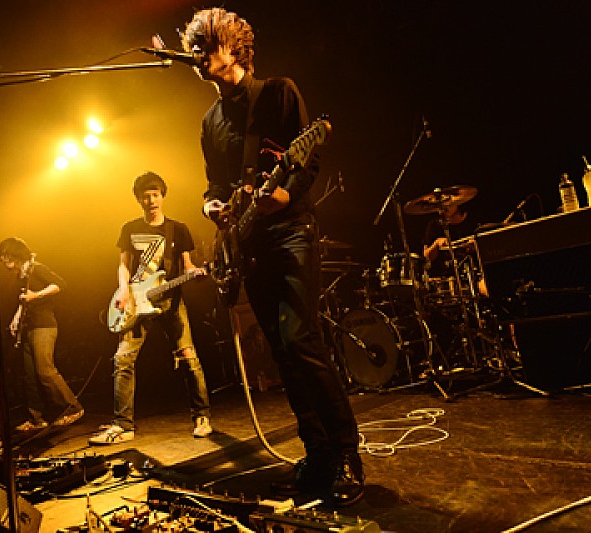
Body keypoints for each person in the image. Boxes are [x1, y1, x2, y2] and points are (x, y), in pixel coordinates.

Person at [181, 7, 364, 506]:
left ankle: (346, 456)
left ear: (233, 47)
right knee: (281, 352)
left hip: (291, 231)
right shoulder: (209, 121)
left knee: (300, 339)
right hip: (250, 245)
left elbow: (308, 159)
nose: (196, 55)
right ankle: (318, 457)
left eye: (205, 45)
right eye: (194, 46)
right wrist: (210, 206)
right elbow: (215, 185)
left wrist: (285, 193)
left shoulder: (279, 93)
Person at [89, 172, 213, 445]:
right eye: (145, 196)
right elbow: (123, 264)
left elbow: (187, 266)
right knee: (123, 359)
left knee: (188, 357)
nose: (151, 200)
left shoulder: (178, 229)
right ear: (138, 199)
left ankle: (201, 418)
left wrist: (195, 273)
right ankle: (123, 425)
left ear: (162, 196)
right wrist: (124, 291)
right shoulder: (129, 228)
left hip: (170, 301)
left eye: (155, 195)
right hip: (136, 300)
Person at [0, 237, 84, 431]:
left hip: (44, 326)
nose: (2, 260)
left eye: (5, 255)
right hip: (29, 327)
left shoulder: (36, 268)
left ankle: (73, 408)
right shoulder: (22, 276)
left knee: (45, 371)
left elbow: (60, 284)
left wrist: (36, 295)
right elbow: (24, 301)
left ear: (15, 254)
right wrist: (16, 319)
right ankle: (36, 417)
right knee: (30, 375)